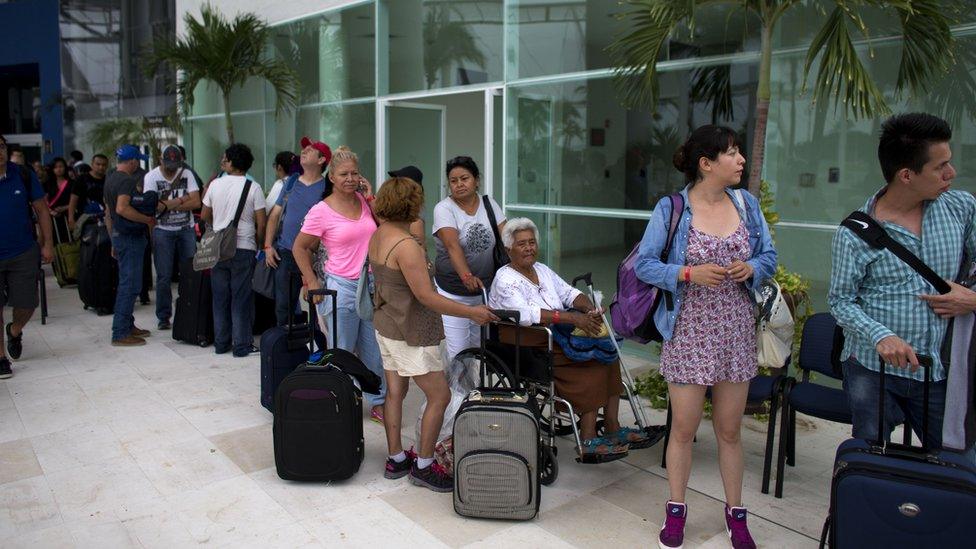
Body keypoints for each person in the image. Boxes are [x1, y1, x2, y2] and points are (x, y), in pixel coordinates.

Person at [635, 125, 776, 549]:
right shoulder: (672, 208)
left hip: (735, 333)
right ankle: (675, 512)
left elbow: (769, 255)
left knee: (730, 431)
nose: (741, 160)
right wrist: (686, 273)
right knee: (683, 429)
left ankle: (737, 516)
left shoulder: (747, 204)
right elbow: (644, 264)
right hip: (689, 332)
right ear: (706, 163)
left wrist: (752, 268)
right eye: (732, 153)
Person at [830, 113, 976, 450]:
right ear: (906, 175)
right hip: (872, 369)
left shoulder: (961, 208)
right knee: (871, 457)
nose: (951, 174)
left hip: (942, 371)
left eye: (949, 163)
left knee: (958, 466)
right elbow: (840, 301)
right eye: (941, 167)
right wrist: (882, 337)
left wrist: (971, 299)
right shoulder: (855, 234)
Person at [367, 177, 496, 491]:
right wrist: (471, 311)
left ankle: (396, 458)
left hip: (386, 324)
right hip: (411, 331)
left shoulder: (380, 234)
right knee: (441, 395)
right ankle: (424, 466)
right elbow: (426, 296)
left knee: (395, 393)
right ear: (411, 205)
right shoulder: (405, 245)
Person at [489, 217, 653, 458]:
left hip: (556, 335)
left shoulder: (542, 270)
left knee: (609, 355)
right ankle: (587, 439)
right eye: (522, 244)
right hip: (527, 340)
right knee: (591, 364)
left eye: (532, 242)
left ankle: (611, 427)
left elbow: (569, 293)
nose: (528, 248)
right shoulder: (505, 278)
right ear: (508, 249)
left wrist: (589, 309)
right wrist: (573, 319)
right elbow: (527, 315)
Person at [293, 146, 386, 422]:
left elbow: (384, 228)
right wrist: (311, 281)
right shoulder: (321, 210)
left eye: (354, 173)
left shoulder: (365, 201)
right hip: (341, 286)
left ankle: (378, 401)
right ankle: (345, 398)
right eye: (344, 174)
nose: (350, 178)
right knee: (342, 349)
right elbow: (300, 248)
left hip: (370, 286)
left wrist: (370, 197)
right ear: (331, 177)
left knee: (373, 349)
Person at [432, 156, 506, 362]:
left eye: (464, 178)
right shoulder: (444, 208)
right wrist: (466, 276)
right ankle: (458, 394)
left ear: (476, 180)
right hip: (454, 293)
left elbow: (506, 236)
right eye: (453, 181)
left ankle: (473, 392)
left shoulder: (489, 203)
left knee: (479, 352)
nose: (459, 184)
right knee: (460, 354)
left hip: (484, 291)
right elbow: (452, 245)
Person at [202, 144, 266, 357]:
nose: (223, 162)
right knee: (241, 298)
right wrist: (259, 244)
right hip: (244, 247)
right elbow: (261, 222)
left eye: (225, 159)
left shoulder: (214, 185)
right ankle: (241, 345)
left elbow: (204, 215)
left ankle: (221, 344)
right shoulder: (253, 187)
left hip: (219, 248)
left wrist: (215, 228)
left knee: (219, 297)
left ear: (231, 162)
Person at [0, 134, 54, 379]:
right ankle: (1, 358)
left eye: (1, 147)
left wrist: (48, 244)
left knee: (27, 303)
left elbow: (42, 209)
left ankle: (14, 329)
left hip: (23, 250)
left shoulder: (22, 174)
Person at [265, 137, 331, 326]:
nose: (304, 151)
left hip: (312, 255)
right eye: (304, 149)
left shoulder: (326, 188)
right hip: (285, 252)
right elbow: (275, 215)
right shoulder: (292, 181)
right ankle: (285, 349)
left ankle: (318, 349)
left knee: (316, 306)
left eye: (310, 150)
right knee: (283, 306)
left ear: (321, 160)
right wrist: (268, 245)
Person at [143, 145, 202, 330]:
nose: (172, 167)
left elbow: (197, 202)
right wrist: (182, 200)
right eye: (168, 163)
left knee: (190, 272)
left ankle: (189, 310)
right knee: (164, 276)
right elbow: (153, 207)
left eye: (175, 164)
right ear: (160, 160)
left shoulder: (186, 173)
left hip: (186, 229)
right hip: (162, 230)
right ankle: (163, 316)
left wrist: (167, 204)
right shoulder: (151, 177)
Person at [103, 145, 155, 347]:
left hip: (120, 235)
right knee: (130, 285)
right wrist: (147, 220)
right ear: (132, 161)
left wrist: (113, 239)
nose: (138, 165)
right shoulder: (126, 180)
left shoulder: (111, 179)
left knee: (127, 281)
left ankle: (128, 324)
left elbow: (109, 212)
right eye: (138, 161)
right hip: (130, 237)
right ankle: (120, 332)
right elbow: (122, 208)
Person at [387, 165, 426, 246]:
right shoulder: (400, 210)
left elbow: (419, 250)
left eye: (400, 182)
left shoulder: (415, 217)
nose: (395, 185)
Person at [68, 153, 108, 231]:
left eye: (104, 165)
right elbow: (73, 201)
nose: (101, 167)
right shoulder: (81, 179)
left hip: (105, 219)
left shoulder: (108, 180)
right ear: (92, 164)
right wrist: (71, 219)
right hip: (85, 220)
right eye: (98, 164)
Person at [45, 157, 73, 241]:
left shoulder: (72, 183)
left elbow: (76, 201)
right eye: (56, 167)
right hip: (51, 217)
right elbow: (44, 200)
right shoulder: (47, 184)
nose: (59, 169)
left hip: (68, 216)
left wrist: (65, 207)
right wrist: (51, 211)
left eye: (61, 166)